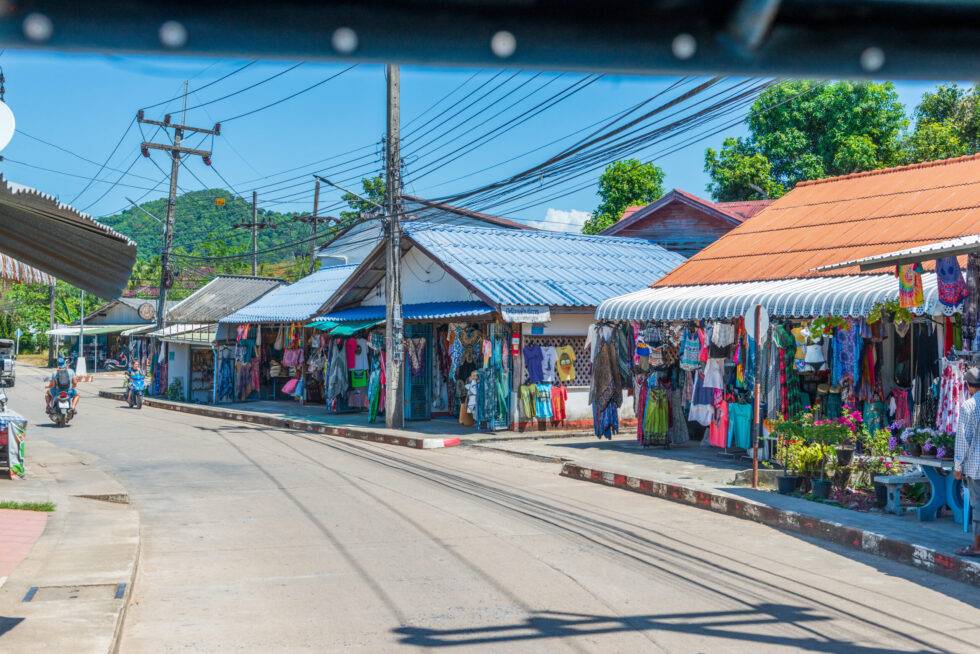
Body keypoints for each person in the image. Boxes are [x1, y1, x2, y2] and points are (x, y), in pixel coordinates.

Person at [954, 366, 980, 557]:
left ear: (970, 387)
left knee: (977, 505)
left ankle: (977, 546)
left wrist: (957, 466)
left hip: (976, 466)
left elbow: (963, 439)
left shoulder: (969, 406)